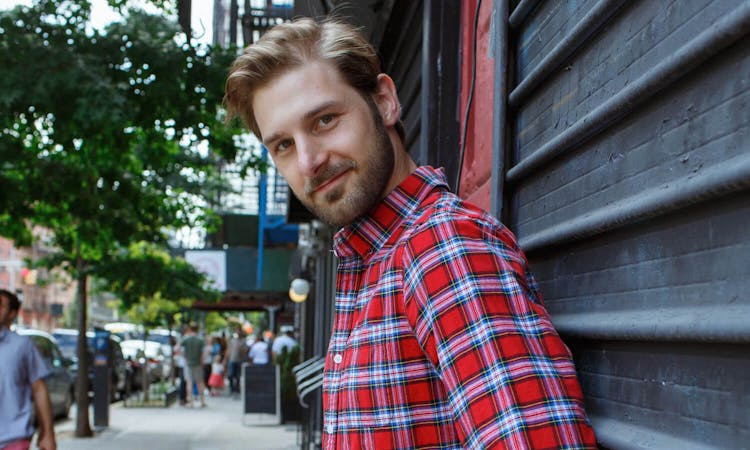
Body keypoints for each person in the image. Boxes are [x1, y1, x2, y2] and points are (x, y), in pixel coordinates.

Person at [224, 17, 597, 449]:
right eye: (283, 145)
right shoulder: (374, 261)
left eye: (325, 120)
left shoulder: (441, 248)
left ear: (384, 102)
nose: (308, 162)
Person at [0, 289, 56, 450]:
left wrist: (48, 434)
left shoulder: (23, 347)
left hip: (14, 439)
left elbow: (39, 390)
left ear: (12, 313)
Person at [181, 323, 206, 407]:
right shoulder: (200, 340)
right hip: (198, 363)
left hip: (188, 363)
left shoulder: (185, 339)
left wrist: (185, 357)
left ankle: (191, 402)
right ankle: (202, 401)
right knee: (200, 382)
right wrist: (202, 362)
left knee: (189, 382)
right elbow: (203, 353)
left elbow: (178, 348)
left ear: (190, 329)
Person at [223, 330, 247, 397]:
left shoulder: (244, 341)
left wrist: (240, 349)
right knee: (230, 375)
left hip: (240, 360)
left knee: (238, 376)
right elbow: (228, 350)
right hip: (232, 360)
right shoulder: (232, 341)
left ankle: (237, 390)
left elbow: (245, 351)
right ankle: (231, 389)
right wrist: (225, 359)